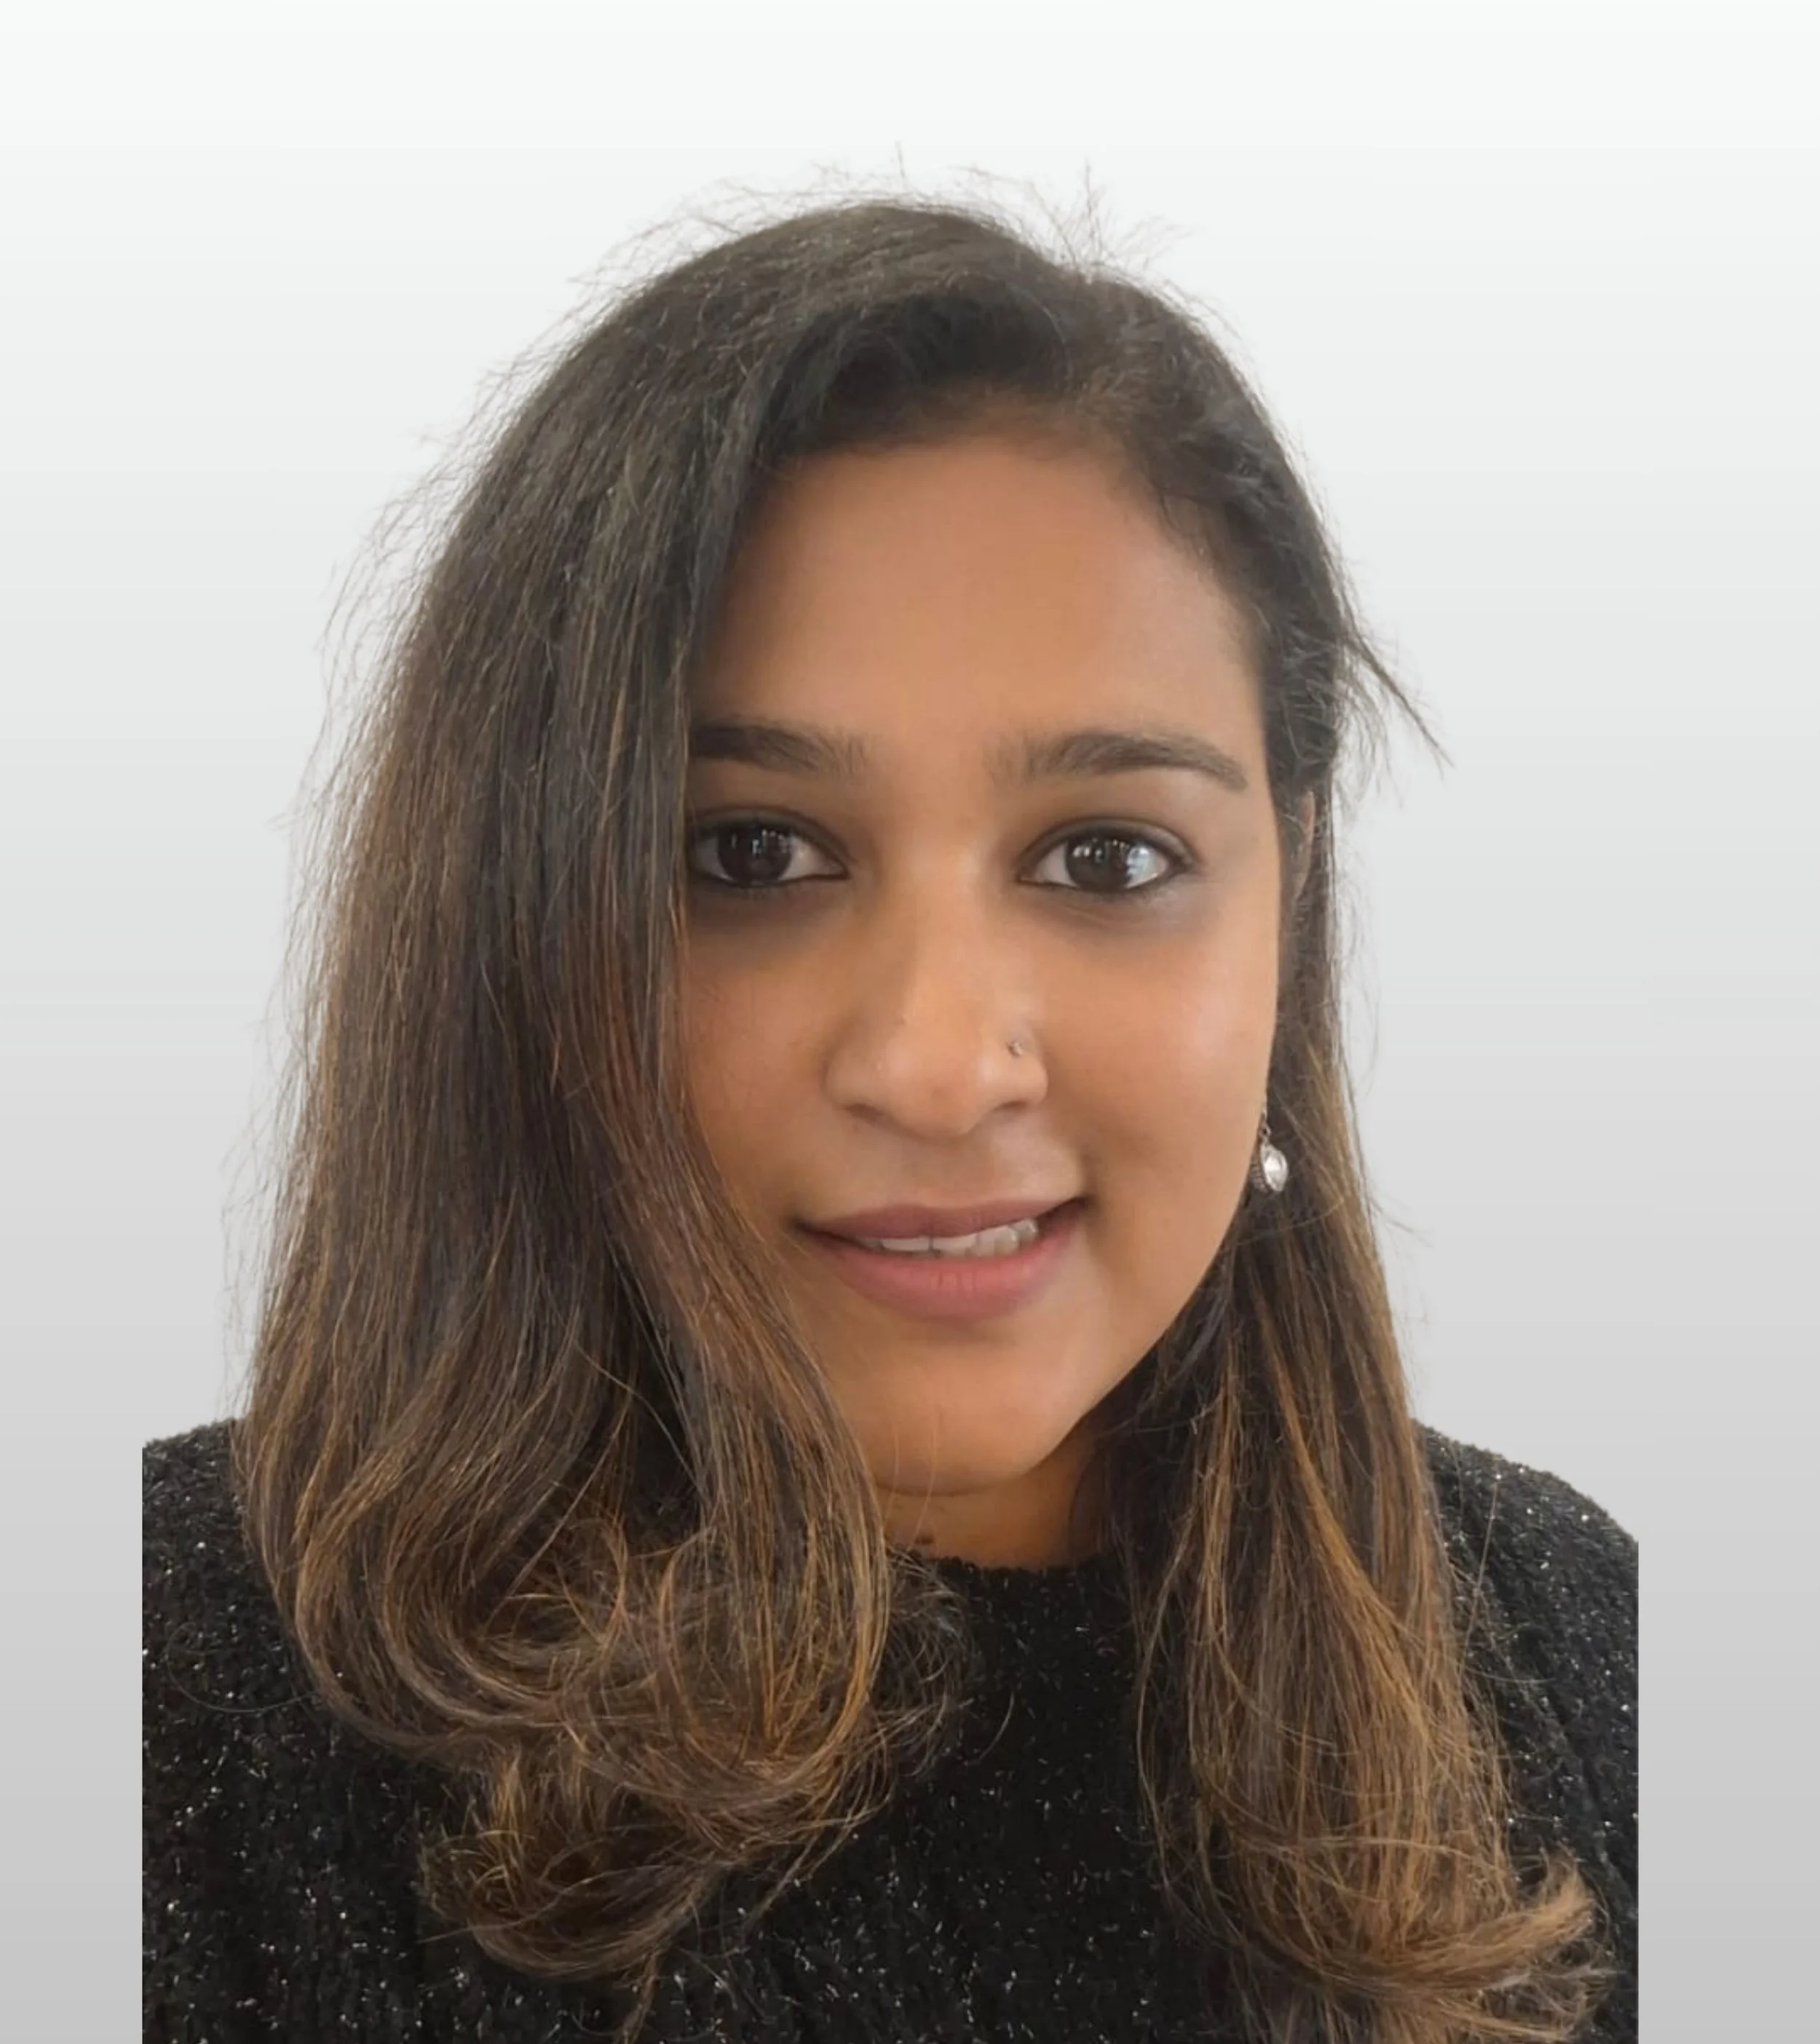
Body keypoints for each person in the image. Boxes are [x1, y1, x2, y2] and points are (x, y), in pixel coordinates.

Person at [143, 194, 1637, 2043]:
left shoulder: (1575, 1644)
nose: (941, 1064)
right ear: (508, 908)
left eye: (1107, 856)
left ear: (1293, 883)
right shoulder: (157, 1700)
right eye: (749, 853)